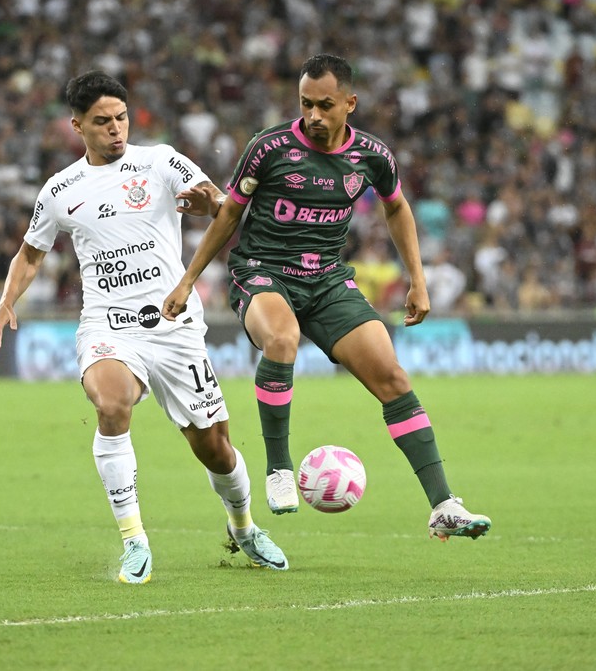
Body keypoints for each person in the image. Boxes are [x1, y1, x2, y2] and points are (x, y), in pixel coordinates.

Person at [163, 54, 491, 541]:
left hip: (328, 280)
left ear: (350, 103)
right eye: (305, 104)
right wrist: (188, 279)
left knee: (393, 377)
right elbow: (229, 213)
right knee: (282, 339)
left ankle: (443, 505)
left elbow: (397, 208)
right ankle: (279, 469)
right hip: (263, 271)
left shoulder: (372, 156)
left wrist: (417, 279)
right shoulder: (268, 147)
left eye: (325, 105)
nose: (313, 115)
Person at [0, 70, 288, 583]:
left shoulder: (160, 161)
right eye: (102, 121)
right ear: (77, 126)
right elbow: (30, 254)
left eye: (121, 118)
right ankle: (134, 540)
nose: (115, 129)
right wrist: (5, 302)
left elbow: (221, 202)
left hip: (174, 328)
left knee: (215, 448)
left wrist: (210, 204)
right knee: (111, 403)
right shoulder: (60, 189)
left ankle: (243, 526)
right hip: (108, 325)